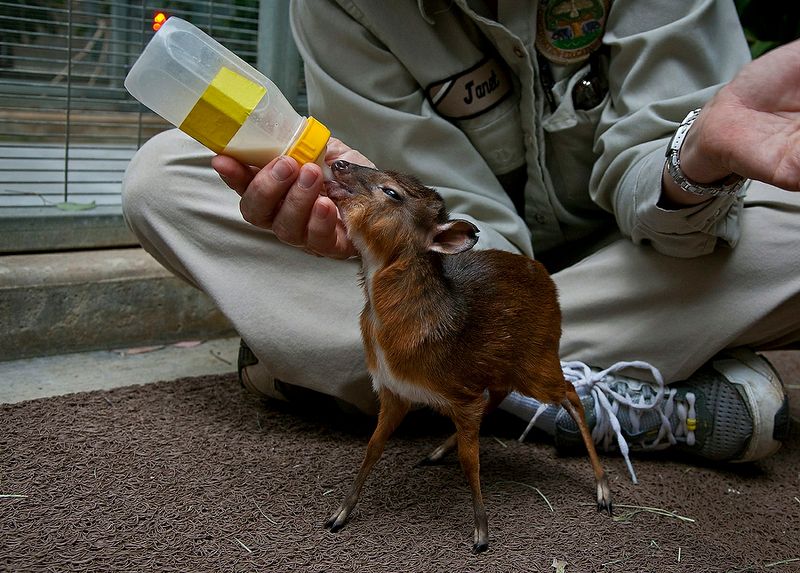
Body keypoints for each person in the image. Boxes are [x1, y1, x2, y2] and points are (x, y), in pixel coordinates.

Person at [122, 1, 796, 481]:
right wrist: (369, 238)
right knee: (164, 179)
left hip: (641, 253)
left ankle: (345, 366)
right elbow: (451, 222)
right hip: (467, 281)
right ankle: (571, 387)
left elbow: (669, 204)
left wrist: (693, 161)